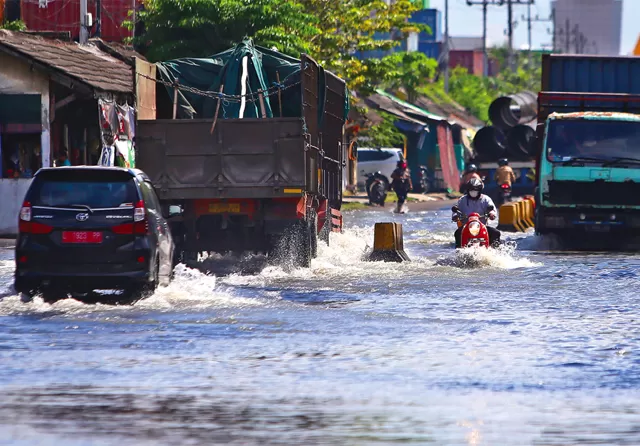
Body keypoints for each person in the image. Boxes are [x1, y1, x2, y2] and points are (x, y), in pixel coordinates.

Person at [452, 177, 501, 248]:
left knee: (496, 233)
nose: (473, 192)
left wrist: (491, 214)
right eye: (471, 190)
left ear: (479, 190)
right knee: (457, 233)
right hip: (466, 227)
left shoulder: (486, 199)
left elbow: (492, 209)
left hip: (482, 226)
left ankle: (497, 251)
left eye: (475, 190)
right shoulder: (462, 200)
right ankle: (459, 252)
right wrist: (455, 216)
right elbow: (456, 210)